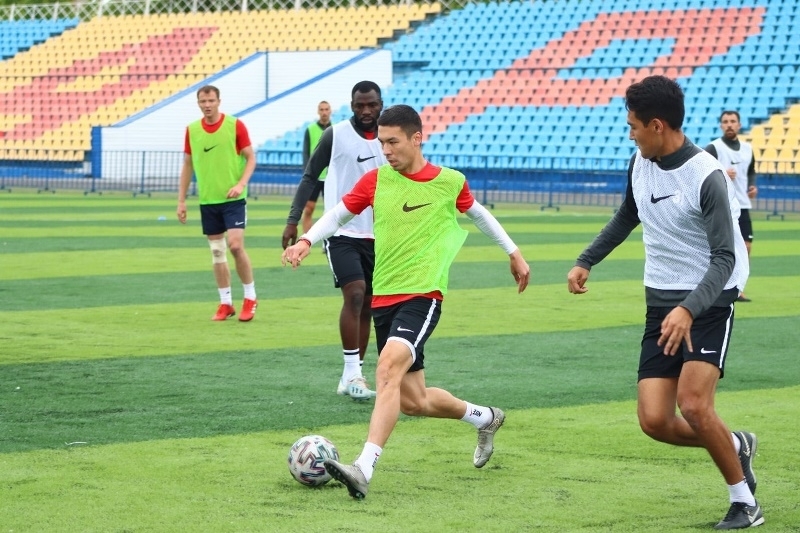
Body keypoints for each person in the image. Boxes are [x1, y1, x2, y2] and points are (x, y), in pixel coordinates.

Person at [282, 104, 531, 500]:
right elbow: (339, 215)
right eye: (382, 143)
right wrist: (306, 240)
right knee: (414, 400)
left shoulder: (449, 182)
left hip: (423, 294)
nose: (386, 150)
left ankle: (363, 468)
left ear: (417, 138)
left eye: (393, 142)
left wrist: (513, 252)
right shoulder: (376, 180)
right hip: (385, 298)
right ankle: (485, 417)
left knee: (385, 369)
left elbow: (479, 214)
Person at [566, 76, 761, 530]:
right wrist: (587, 260)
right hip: (661, 305)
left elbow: (725, 257)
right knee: (654, 420)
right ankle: (736, 445)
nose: (630, 134)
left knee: (693, 406)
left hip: (708, 303)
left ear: (657, 125)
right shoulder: (640, 161)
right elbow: (627, 214)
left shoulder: (706, 176)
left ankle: (744, 501)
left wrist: (689, 308)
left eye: (633, 126)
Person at [281, 81, 386, 400]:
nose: (366, 110)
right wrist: (293, 219)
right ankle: (352, 373)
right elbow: (310, 175)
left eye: (371, 104)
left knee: (368, 304)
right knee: (355, 294)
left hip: (379, 234)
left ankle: (353, 375)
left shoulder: (390, 137)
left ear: (381, 103)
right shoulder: (335, 134)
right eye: (359, 105)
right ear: (351, 105)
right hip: (341, 232)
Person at [177, 85, 258, 322]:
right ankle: (225, 303)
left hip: (234, 200)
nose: (207, 105)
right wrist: (181, 200)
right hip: (208, 200)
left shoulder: (235, 125)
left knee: (235, 246)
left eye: (211, 100)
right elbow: (188, 165)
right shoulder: (192, 130)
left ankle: (250, 297)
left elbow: (251, 158)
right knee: (217, 251)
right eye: (203, 101)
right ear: (198, 103)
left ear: (218, 101)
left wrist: (241, 184)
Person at [705, 111, 758, 303]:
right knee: (720, 247)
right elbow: (701, 171)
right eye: (725, 121)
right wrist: (721, 173)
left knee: (746, 246)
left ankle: (738, 287)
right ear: (721, 125)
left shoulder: (748, 149)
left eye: (733, 121)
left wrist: (752, 186)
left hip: (742, 205)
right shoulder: (713, 148)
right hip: (722, 205)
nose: (729, 124)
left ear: (739, 125)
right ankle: (716, 286)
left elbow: (750, 171)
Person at [301, 101, 333, 236]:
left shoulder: (336, 129)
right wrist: (307, 173)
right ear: (318, 111)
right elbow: (306, 153)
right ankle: (306, 240)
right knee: (309, 209)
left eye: (326, 109)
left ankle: (328, 241)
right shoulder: (310, 129)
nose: (324, 112)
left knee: (330, 211)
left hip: (330, 177)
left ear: (330, 111)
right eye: (322, 109)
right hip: (315, 176)